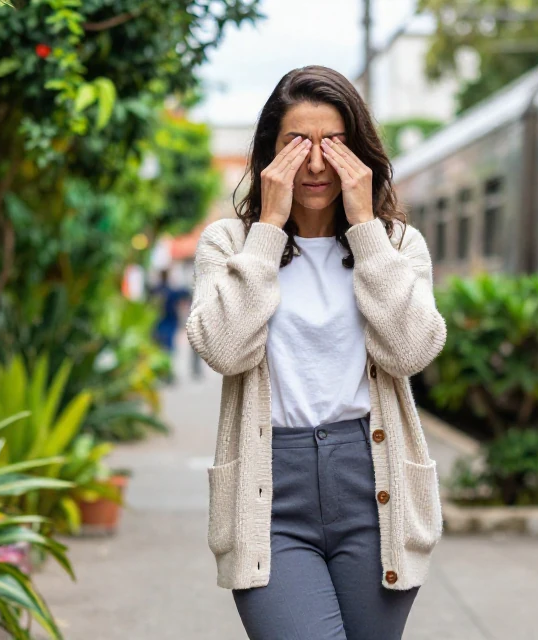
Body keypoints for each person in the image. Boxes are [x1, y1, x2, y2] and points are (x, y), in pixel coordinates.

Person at [185, 66, 447, 640]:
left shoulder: (398, 245)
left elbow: (411, 351)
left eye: (335, 143)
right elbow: (224, 349)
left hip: (373, 490)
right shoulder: (229, 244)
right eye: (296, 143)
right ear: (265, 154)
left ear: (361, 153)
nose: (317, 163)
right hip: (269, 491)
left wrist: (364, 228)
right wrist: (270, 227)